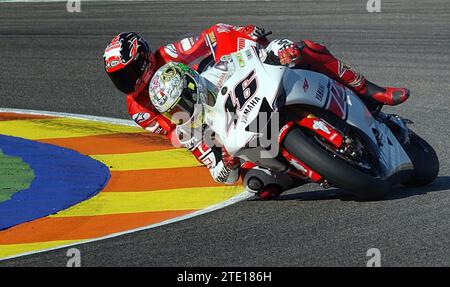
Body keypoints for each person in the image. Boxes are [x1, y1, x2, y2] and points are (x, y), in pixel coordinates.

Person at [103, 23, 410, 199]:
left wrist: (247, 36)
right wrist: (216, 157)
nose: (126, 82)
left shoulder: (172, 54)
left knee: (300, 49)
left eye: (128, 73)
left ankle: (368, 90)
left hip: (235, 79)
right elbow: (183, 134)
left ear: (143, 60)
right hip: (214, 122)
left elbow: (215, 36)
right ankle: (300, 170)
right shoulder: (138, 109)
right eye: (119, 78)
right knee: (257, 185)